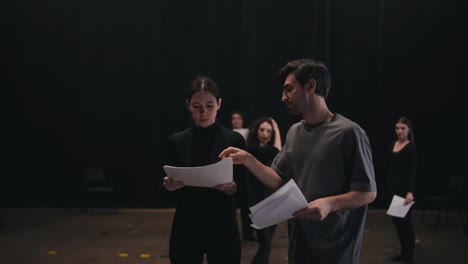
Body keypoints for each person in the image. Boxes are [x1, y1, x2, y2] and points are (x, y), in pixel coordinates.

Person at [219, 58, 377, 264]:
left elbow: (368, 192)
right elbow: (279, 180)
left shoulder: (349, 132)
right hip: (300, 243)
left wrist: (330, 203)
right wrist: (248, 159)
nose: (283, 97)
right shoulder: (295, 132)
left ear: (310, 86)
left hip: (337, 248)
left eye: (289, 89)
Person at [162, 75, 245, 264]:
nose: (204, 112)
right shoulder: (177, 141)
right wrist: (168, 185)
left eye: (209, 105)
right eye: (196, 106)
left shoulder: (234, 140)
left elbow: (244, 184)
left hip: (222, 221)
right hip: (187, 222)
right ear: (188, 105)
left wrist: (234, 187)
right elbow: (165, 181)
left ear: (219, 104)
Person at [245, 116, 282, 264]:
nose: (265, 133)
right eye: (262, 129)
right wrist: (277, 129)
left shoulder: (268, 151)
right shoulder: (251, 149)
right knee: (265, 247)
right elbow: (275, 151)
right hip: (256, 203)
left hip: (273, 201)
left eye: (269, 131)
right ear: (256, 130)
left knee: (266, 246)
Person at [384, 116, 417, 263]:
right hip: (392, 189)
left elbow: (412, 172)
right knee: (397, 222)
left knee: (406, 224)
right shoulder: (393, 144)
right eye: (397, 128)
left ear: (408, 130)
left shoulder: (410, 147)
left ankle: (408, 254)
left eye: (403, 128)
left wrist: (409, 192)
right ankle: (404, 252)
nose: (399, 131)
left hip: (403, 191)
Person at [230, 110, 256, 241]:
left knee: (247, 206)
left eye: (238, 118)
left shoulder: (248, 133)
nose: (236, 121)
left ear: (242, 120)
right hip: (232, 172)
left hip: (246, 173)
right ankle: (231, 233)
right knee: (231, 205)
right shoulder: (228, 134)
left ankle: (248, 233)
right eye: (234, 119)